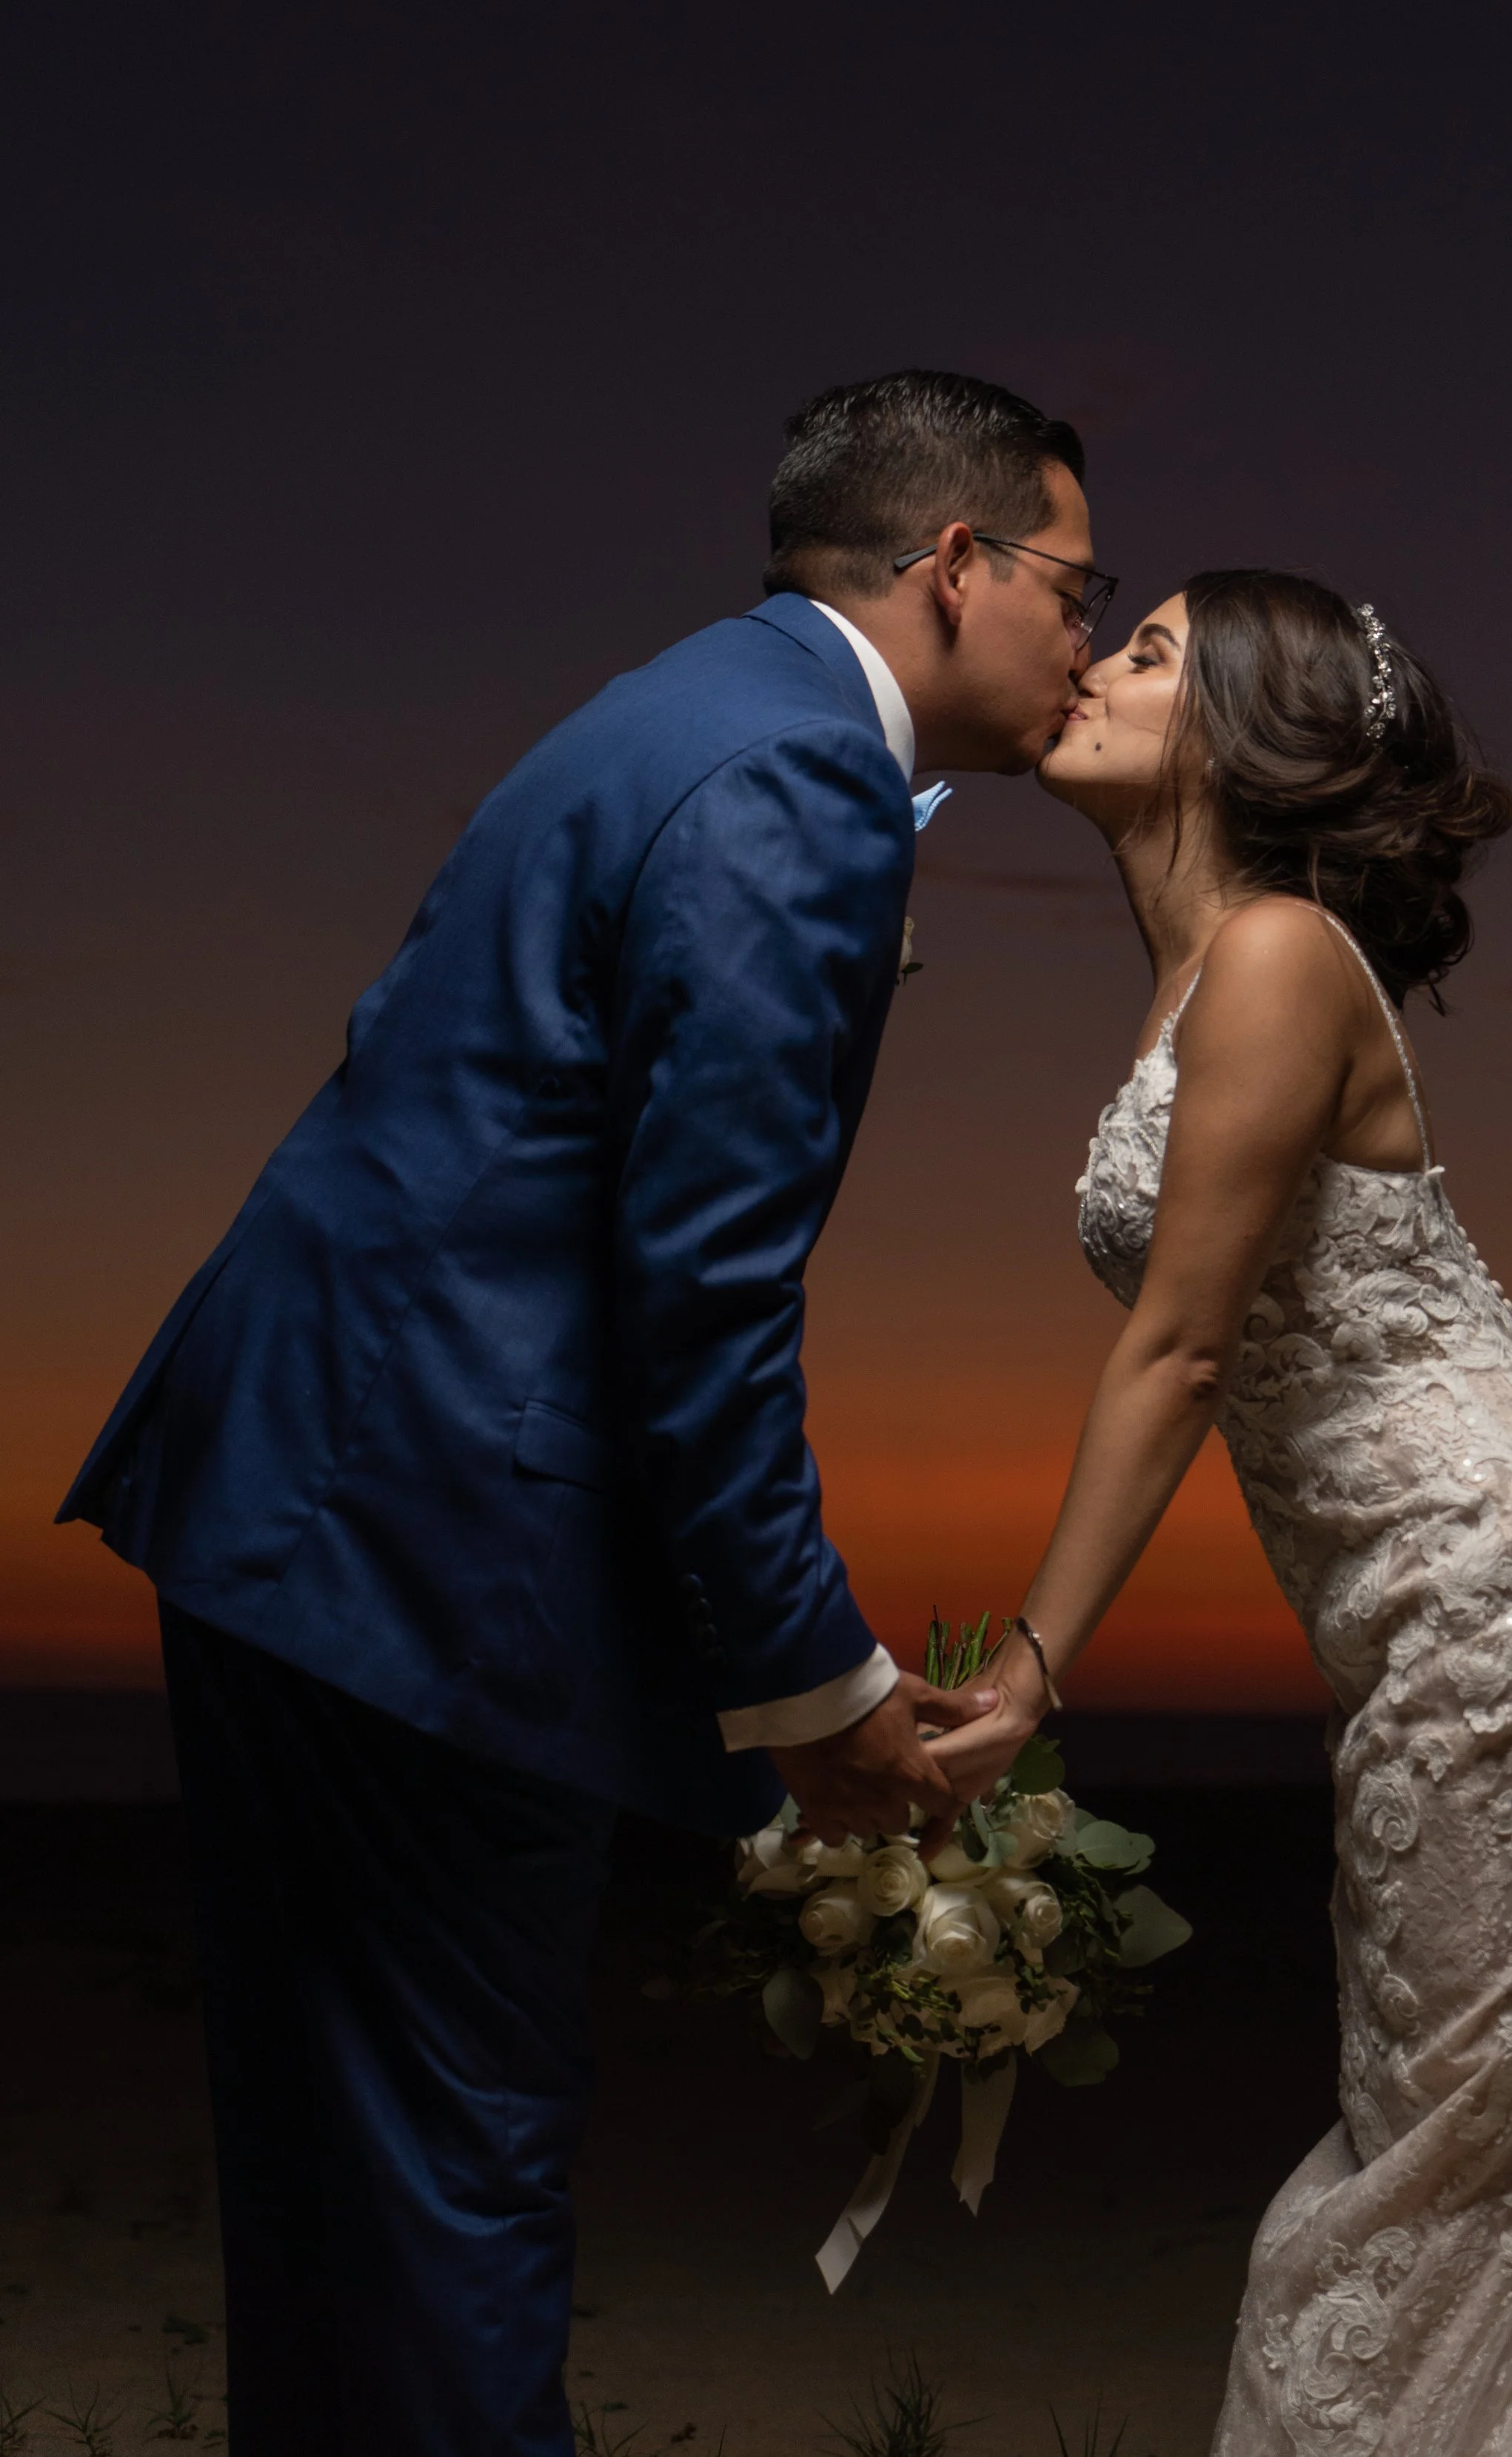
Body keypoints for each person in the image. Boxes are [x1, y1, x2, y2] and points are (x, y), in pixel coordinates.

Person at [58, 370, 1114, 2457]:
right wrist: (814, 1684)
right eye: (1080, 585)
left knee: (327, 2168)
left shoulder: (680, 705)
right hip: (428, 1539)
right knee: (458, 2167)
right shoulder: (795, 779)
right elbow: (699, 1289)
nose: (1088, 632)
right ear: (957, 563)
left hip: (292, 1487)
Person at [931, 570, 1512, 2453]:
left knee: (1440, 2142)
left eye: (1155, 652)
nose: (1101, 664)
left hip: (1502, 1578)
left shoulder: (1273, 954)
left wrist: (1029, 1667)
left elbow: (1183, 1352)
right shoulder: (1206, 967)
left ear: (1240, 740)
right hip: (1468, 1574)